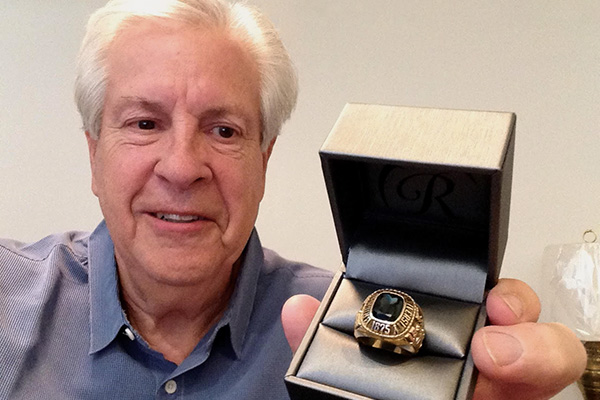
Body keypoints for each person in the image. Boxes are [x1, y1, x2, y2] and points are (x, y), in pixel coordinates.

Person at [0, 0, 586, 399]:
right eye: (144, 123)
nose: (181, 167)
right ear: (93, 154)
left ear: (264, 159)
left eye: (224, 130)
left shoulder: (349, 332)